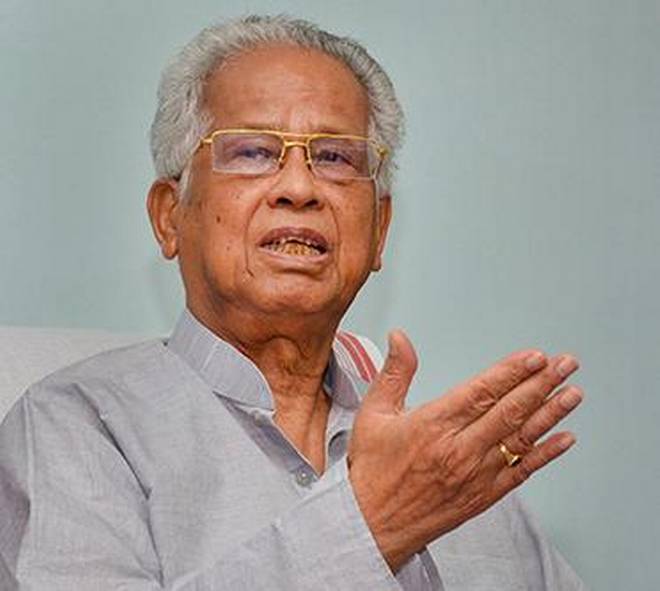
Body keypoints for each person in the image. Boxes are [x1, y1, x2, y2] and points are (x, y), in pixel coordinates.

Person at [0, 15, 586, 590]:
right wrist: (375, 526)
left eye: (335, 158)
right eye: (253, 152)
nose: (300, 188)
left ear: (379, 230)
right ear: (169, 216)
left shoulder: (446, 465)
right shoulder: (77, 425)